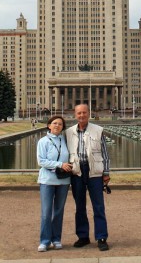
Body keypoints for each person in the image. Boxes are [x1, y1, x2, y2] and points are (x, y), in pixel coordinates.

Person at [65, 103, 110, 251]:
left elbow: (105, 153)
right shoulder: (69, 132)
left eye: (84, 113)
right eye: (79, 113)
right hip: (77, 171)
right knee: (80, 206)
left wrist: (106, 173)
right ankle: (83, 236)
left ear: (88, 113)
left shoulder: (98, 130)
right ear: (75, 115)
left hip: (94, 171)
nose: (82, 115)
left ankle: (101, 237)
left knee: (98, 206)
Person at [36, 116, 72, 252]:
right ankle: (44, 241)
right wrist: (60, 164)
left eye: (60, 124)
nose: (57, 125)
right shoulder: (43, 141)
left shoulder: (65, 140)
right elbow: (41, 161)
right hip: (47, 180)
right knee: (46, 212)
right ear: (49, 125)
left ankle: (56, 239)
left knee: (58, 211)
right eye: (54, 123)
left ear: (63, 127)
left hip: (63, 181)